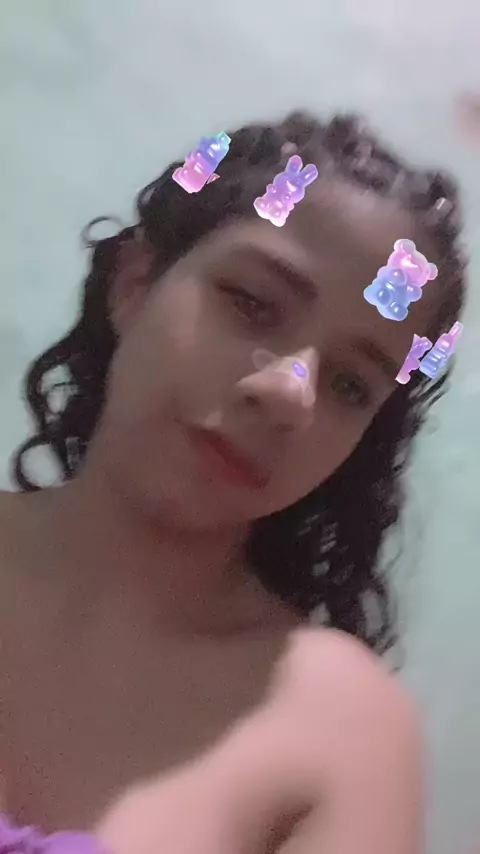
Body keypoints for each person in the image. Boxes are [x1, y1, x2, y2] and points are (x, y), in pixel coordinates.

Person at [0, 110, 466, 844]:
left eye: (350, 384)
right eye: (251, 305)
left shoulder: (340, 731)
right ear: (136, 280)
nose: (289, 394)